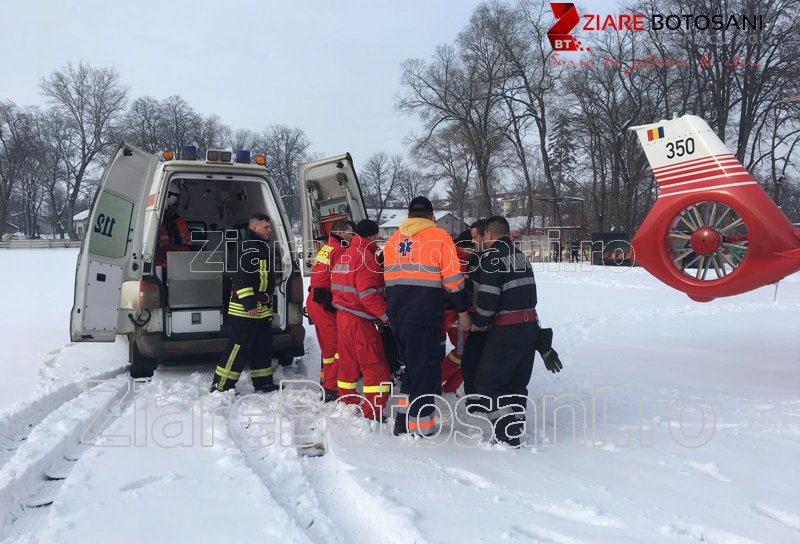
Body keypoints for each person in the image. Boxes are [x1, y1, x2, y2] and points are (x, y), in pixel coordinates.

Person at [383, 196, 471, 437]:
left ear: (409, 217)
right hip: (423, 316)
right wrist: (462, 311)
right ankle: (420, 427)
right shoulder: (440, 238)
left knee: (411, 370)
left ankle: (402, 419)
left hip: (398, 317)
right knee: (426, 372)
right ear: (432, 217)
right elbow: (453, 281)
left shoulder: (392, 240)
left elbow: (388, 281)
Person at [470, 216, 538, 447]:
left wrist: (478, 320)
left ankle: (507, 433)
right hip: (529, 327)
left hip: (507, 330)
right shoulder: (520, 257)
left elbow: (488, 299)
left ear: (489, 235)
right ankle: (516, 425)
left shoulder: (492, 258)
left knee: (487, 383)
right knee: (516, 383)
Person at [331, 219, 391, 420]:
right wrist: (386, 316)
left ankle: (347, 402)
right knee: (375, 366)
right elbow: (367, 295)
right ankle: (373, 411)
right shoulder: (366, 257)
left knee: (348, 364)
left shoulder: (346, 254)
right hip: (359, 320)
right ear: (372, 236)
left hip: (343, 317)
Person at [211, 213, 277, 393]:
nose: (269, 230)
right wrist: (250, 304)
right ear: (254, 228)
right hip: (245, 309)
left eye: (269, 227)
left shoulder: (259, 246)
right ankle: (221, 385)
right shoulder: (247, 247)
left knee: (261, 346)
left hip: (261, 309)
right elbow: (241, 278)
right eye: (266, 227)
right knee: (238, 347)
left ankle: (263, 383)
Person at [306, 219, 355, 402]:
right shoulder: (339, 250)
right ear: (341, 233)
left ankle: (326, 380)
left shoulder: (327, 247)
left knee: (328, 349)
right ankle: (331, 388)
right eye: (350, 234)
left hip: (315, 300)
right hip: (323, 302)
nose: (352, 238)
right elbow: (343, 279)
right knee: (338, 348)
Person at [439, 229, 474, 396]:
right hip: (456, 314)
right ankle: (436, 382)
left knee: (466, 353)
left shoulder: (458, 256)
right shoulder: (460, 259)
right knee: (463, 352)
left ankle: (449, 388)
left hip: (458, 313)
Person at [460, 219, 488, 399]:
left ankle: (480, 400)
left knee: (474, 362)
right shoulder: (475, 257)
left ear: (488, 235)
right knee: (469, 362)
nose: (473, 242)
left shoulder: (489, 259)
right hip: (478, 319)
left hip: (486, 322)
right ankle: (475, 399)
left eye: (475, 237)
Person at [156, 182, 191, 267]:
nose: (174, 208)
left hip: (179, 260)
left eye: (175, 205)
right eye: (173, 205)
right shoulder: (157, 220)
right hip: (161, 262)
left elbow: (187, 243)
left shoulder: (178, 221)